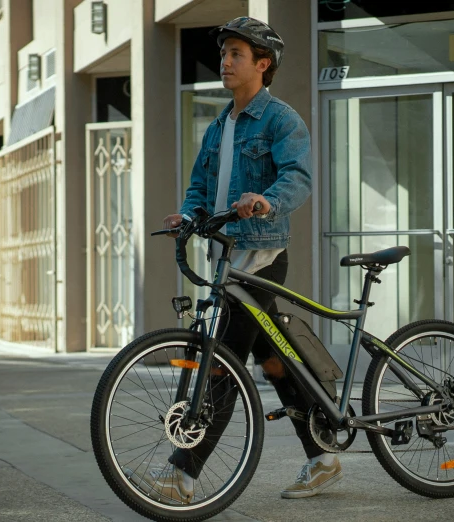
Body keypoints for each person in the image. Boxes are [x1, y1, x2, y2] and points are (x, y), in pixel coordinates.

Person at [132, 17, 343, 502]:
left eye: (236, 55)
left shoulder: (281, 120)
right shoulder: (219, 125)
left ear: (262, 64)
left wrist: (267, 200)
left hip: (263, 255)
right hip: (227, 258)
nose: (224, 62)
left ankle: (181, 474)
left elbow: (299, 177)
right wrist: (187, 216)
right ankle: (324, 456)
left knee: (223, 362)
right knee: (274, 362)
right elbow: (200, 188)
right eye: (224, 54)